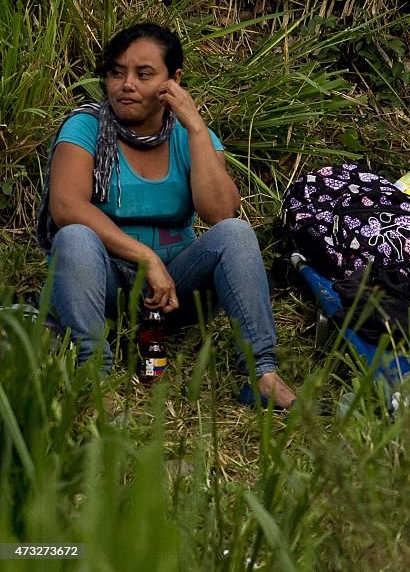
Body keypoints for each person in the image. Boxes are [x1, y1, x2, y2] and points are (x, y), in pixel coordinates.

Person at [37, 23, 296, 408]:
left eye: (143, 74)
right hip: (104, 287)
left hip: (176, 293)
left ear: (173, 80)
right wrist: (146, 258)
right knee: (73, 236)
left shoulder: (189, 135)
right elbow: (66, 207)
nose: (127, 84)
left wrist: (195, 127)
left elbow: (221, 211)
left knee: (236, 233)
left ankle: (261, 374)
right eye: (116, 72)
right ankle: (94, 376)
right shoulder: (87, 126)